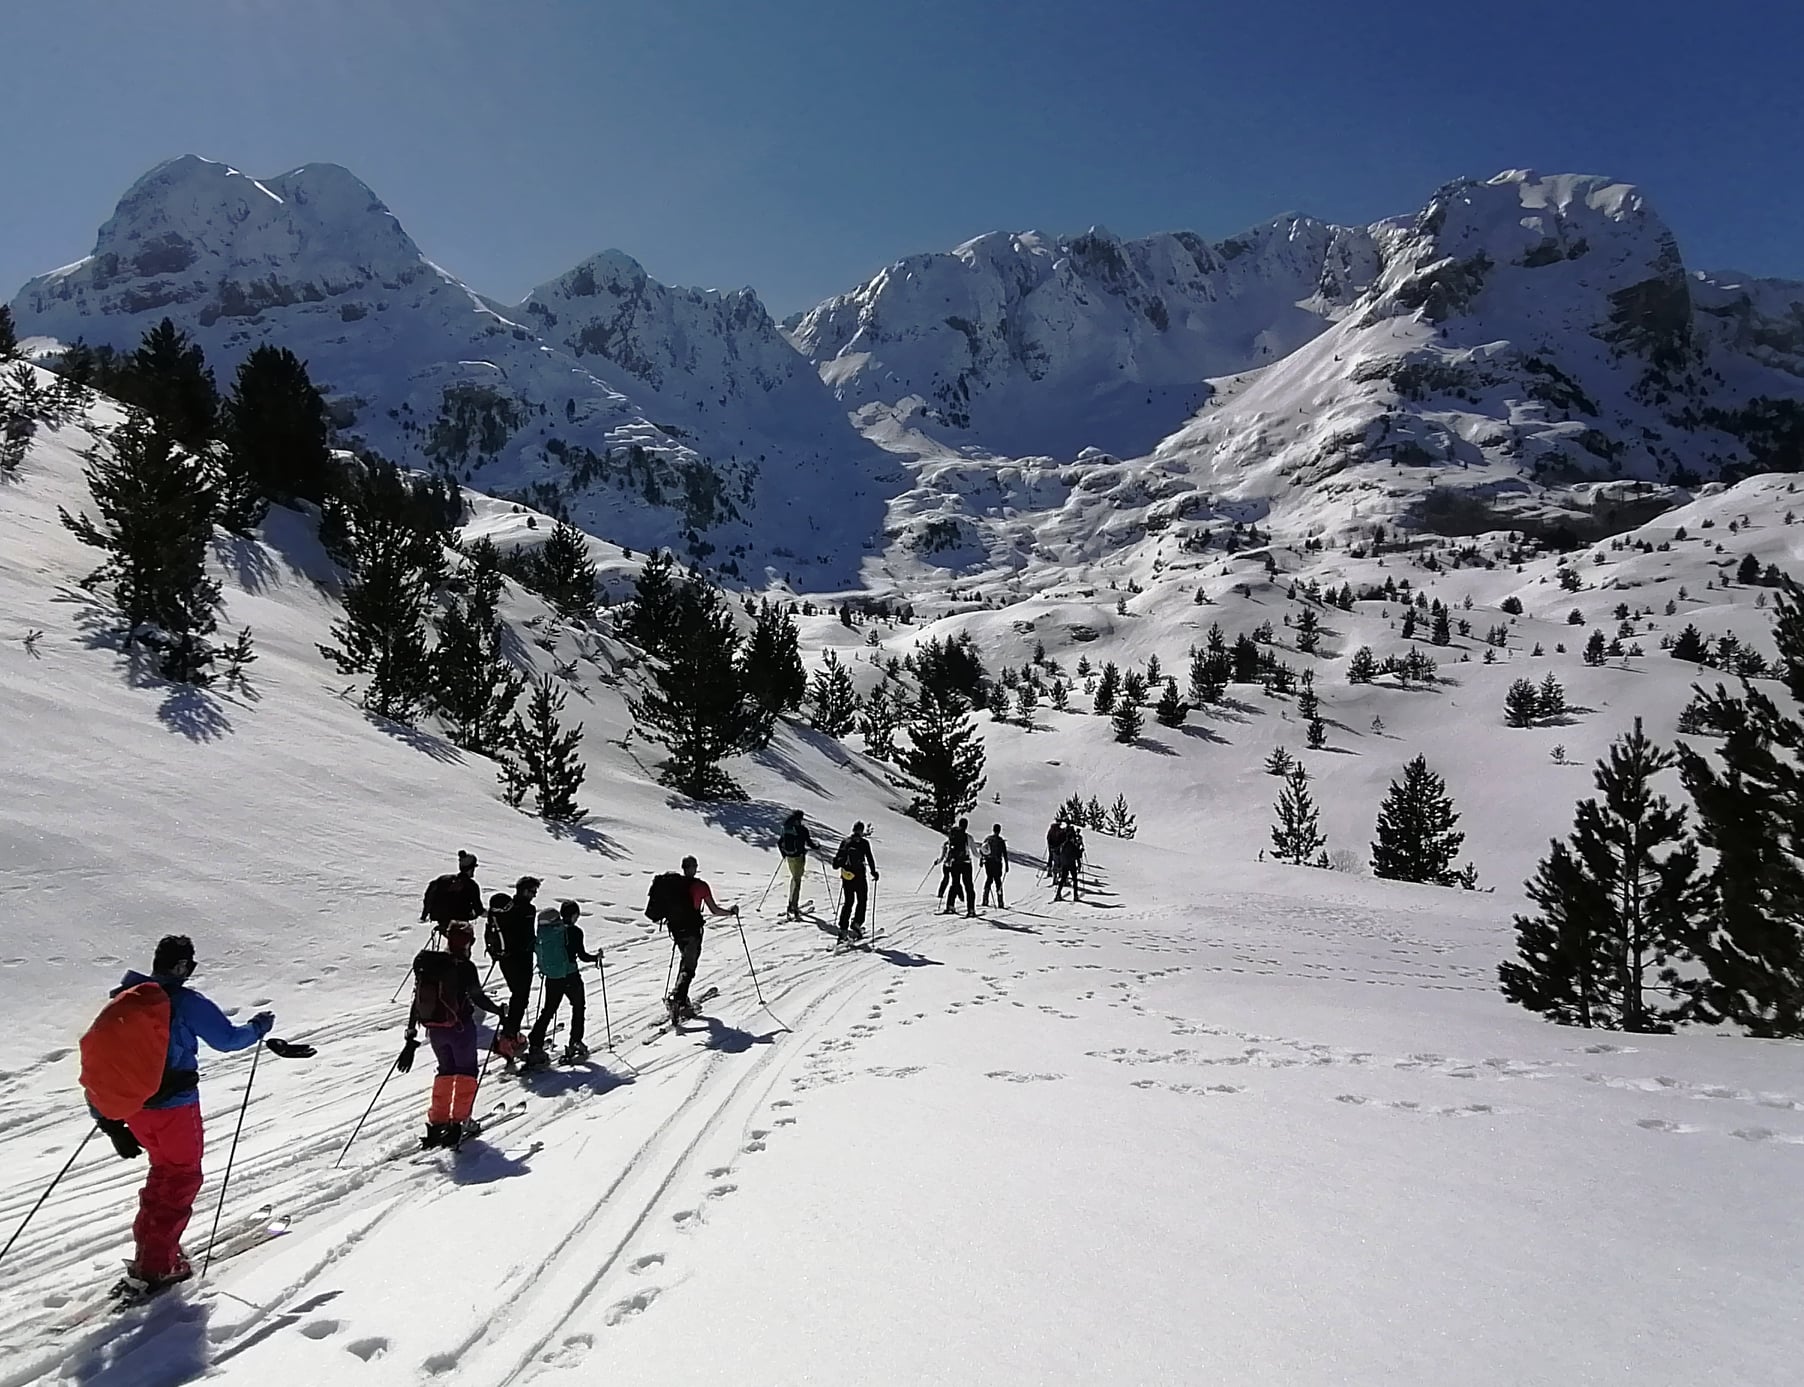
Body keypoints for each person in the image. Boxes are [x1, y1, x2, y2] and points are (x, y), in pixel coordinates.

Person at [90, 935, 274, 1295]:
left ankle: (151, 1253)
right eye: (189, 965)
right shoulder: (184, 1002)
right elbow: (227, 1040)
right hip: (175, 1107)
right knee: (181, 1178)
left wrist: (108, 1122)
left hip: (135, 1110)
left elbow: (99, 1062)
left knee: (163, 1173)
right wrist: (258, 1027)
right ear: (181, 966)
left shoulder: (127, 1000)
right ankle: (158, 1266)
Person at [397, 920, 505, 1147]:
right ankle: (459, 1122)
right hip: (460, 1030)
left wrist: (411, 1034)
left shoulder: (430, 964)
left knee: (445, 1072)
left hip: (435, 1031)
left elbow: (417, 1001)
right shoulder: (465, 967)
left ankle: (437, 1122)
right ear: (469, 942)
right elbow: (477, 997)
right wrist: (499, 1011)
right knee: (466, 1073)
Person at [524, 901, 601, 1066]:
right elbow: (582, 956)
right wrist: (596, 958)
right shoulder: (575, 932)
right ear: (574, 915)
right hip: (571, 976)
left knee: (549, 1010)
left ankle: (535, 1042)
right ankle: (575, 1041)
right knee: (578, 1007)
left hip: (553, 977)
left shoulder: (548, 933)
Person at [668, 857, 737, 1021]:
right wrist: (730, 912)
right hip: (692, 930)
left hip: (677, 931)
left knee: (685, 960)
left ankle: (681, 996)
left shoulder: (675, 885)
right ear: (694, 868)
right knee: (689, 967)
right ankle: (678, 1000)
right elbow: (714, 909)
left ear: (683, 867)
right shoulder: (701, 886)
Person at [494, 876, 542, 1044]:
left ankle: (509, 1028)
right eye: (533, 891)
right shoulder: (528, 909)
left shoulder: (505, 907)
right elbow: (528, 936)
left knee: (517, 995)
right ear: (524, 891)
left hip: (504, 957)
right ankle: (510, 1035)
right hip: (522, 958)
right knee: (521, 997)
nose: (534, 895)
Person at [833, 822, 879, 943]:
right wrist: (874, 872)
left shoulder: (845, 842)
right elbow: (869, 858)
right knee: (862, 900)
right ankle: (857, 923)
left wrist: (838, 865)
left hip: (847, 876)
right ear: (861, 831)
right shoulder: (864, 843)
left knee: (848, 902)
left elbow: (837, 859)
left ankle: (843, 929)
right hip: (859, 876)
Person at [421, 851, 482, 931]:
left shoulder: (442, 879)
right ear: (471, 868)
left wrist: (424, 914)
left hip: (441, 920)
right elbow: (478, 909)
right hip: (460, 923)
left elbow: (429, 896)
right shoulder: (472, 886)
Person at [777, 810, 812, 920]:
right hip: (798, 857)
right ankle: (793, 906)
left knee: (794, 878)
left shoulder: (786, 828)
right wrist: (817, 846)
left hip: (789, 857)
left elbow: (779, 842)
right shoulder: (802, 830)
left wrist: (784, 854)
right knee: (797, 880)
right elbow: (809, 843)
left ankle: (791, 902)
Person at [941, 819, 976, 917]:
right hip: (966, 863)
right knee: (969, 886)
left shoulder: (953, 836)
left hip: (955, 863)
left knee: (954, 884)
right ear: (966, 826)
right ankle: (971, 909)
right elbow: (975, 853)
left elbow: (949, 848)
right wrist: (983, 856)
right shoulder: (968, 837)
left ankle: (950, 906)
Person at [980, 823, 1009, 908]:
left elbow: (982, 850)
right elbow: (1005, 854)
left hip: (988, 862)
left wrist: (981, 860)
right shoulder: (1000, 841)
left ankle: (985, 899)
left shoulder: (988, 839)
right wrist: (1007, 865)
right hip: (997, 863)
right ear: (999, 830)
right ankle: (1000, 902)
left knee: (989, 878)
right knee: (998, 881)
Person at [1054, 824, 1083, 902]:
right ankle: (1075, 896)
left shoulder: (1063, 845)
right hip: (1071, 864)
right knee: (1075, 879)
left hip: (1064, 864)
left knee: (1063, 879)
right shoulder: (1072, 845)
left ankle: (1058, 894)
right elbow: (1078, 855)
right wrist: (1081, 851)